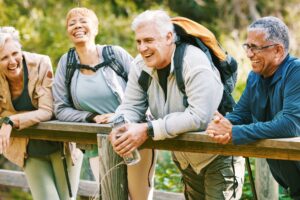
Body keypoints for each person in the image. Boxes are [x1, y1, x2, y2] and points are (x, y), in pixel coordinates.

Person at [110, 10, 245, 200]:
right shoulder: (140, 66)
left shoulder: (194, 61)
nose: (142, 48)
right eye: (138, 41)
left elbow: (199, 117)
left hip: (219, 155)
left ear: (168, 37)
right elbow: (131, 106)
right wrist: (121, 123)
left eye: (149, 40)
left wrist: (147, 130)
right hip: (186, 159)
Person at [52, 7, 156, 199]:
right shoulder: (66, 63)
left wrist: (121, 116)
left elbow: (146, 87)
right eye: (71, 23)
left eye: (83, 21)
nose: (77, 26)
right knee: (111, 195)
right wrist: (91, 117)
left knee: (139, 197)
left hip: (133, 137)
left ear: (96, 28)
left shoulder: (115, 55)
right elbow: (60, 108)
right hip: (98, 144)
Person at [206, 16, 300, 199]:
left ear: (278, 51)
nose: (249, 54)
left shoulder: (296, 73)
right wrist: (221, 124)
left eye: (255, 47)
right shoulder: (255, 77)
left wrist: (235, 131)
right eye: (247, 46)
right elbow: (242, 114)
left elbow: (290, 124)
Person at [0, 26, 83, 200]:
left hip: (61, 147)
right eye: (4, 58)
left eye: (15, 53)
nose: (12, 61)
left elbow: (46, 110)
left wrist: (10, 120)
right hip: (29, 151)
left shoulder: (40, 63)